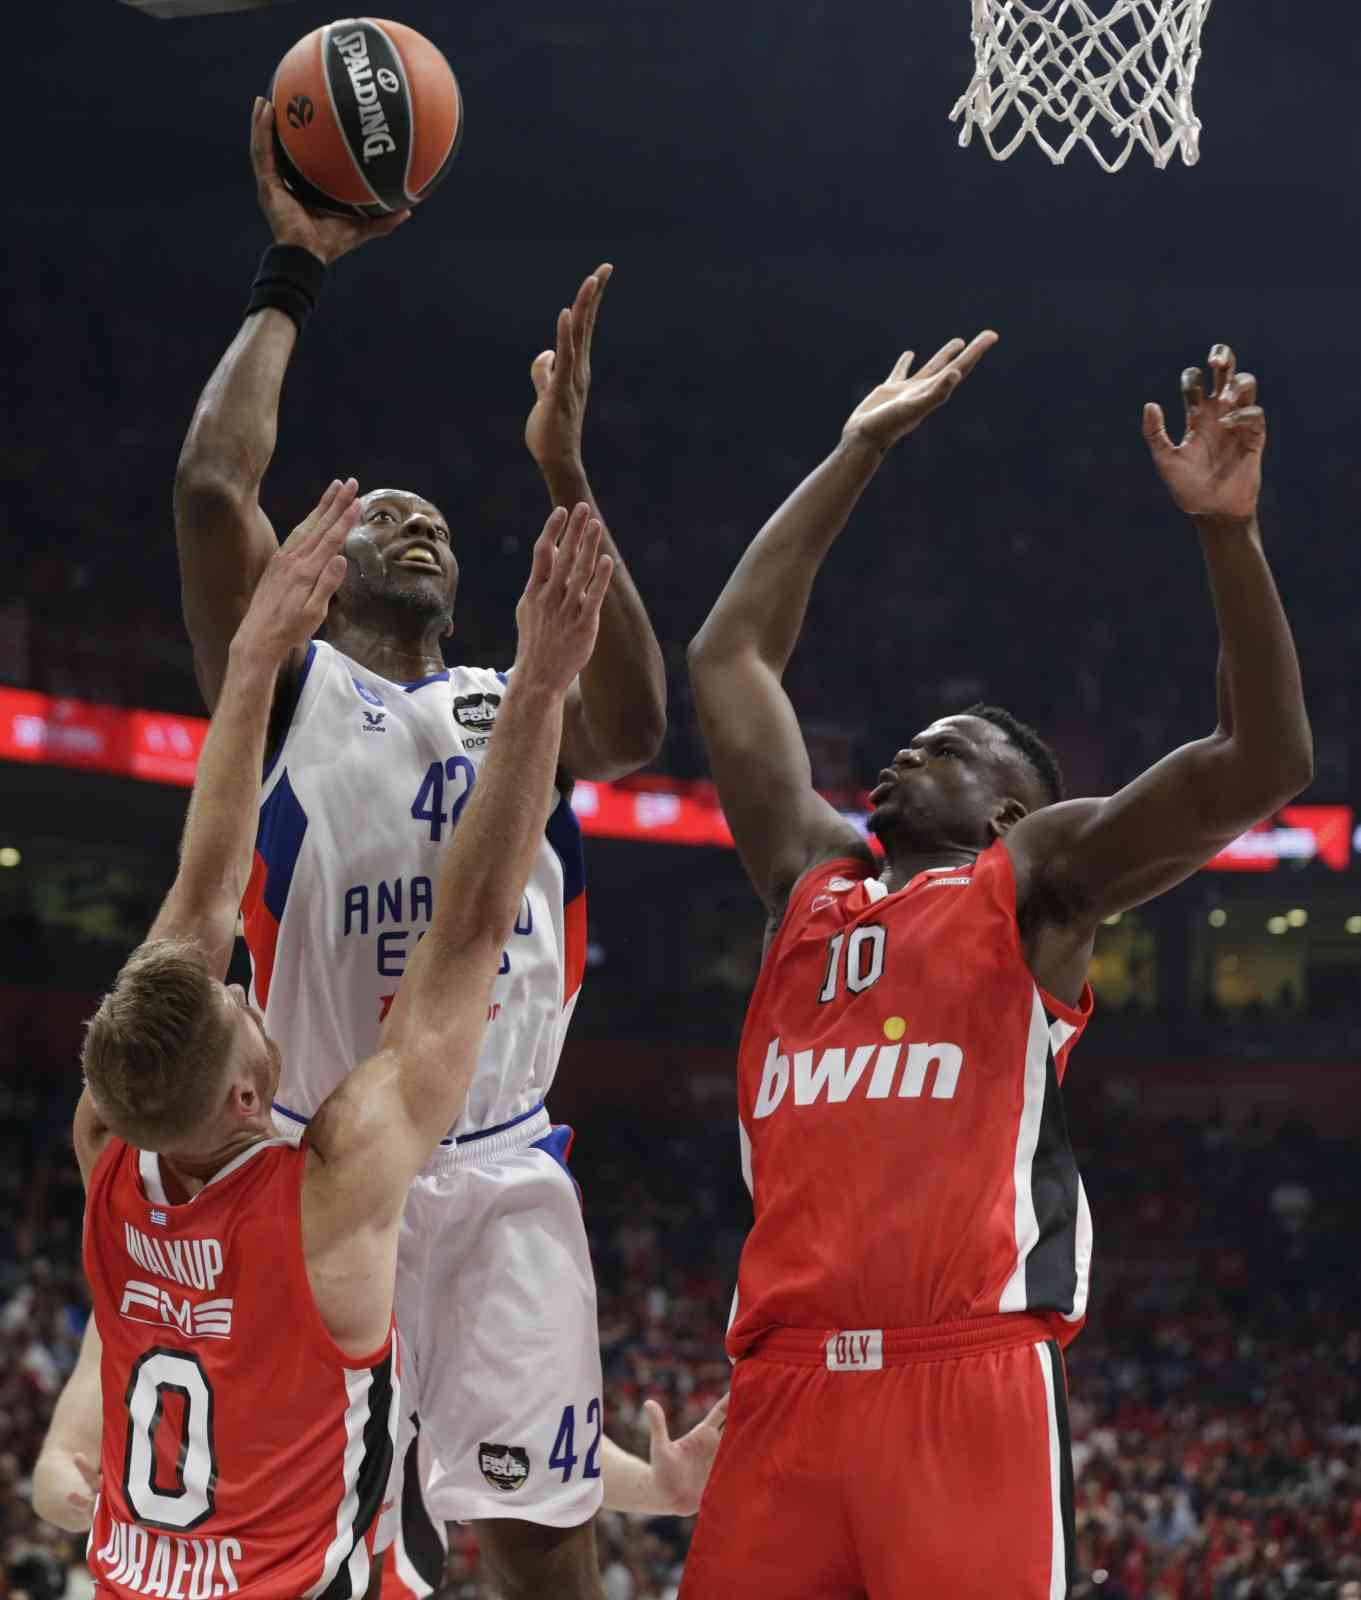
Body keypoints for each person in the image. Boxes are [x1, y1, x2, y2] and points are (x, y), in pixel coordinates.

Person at [681, 337, 1311, 1598]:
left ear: (1008, 809)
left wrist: (1226, 538)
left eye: (950, 748)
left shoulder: (1027, 886)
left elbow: (1261, 760)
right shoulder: (808, 884)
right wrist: (855, 450)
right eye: (909, 741)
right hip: (783, 1386)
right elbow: (726, 660)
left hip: (960, 1376)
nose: (910, 752)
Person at [169, 99, 678, 1599]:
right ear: (316, 583)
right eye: (382, 509)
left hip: (509, 1161)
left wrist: (568, 478)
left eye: (439, 516)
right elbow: (212, 489)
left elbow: (638, 724)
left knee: (541, 1555)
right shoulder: (287, 688)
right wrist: (291, 267)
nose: (414, 518)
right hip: (331, 1161)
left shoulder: (514, 687)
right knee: (314, 1552)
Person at [38, 483, 615, 1597]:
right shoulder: (324, 1187)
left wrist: (254, 662)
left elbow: (201, 906)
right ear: (253, 1096)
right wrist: (540, 687)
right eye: (247, 1008)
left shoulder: (116, 1148)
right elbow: (466, 931)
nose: (254, 992)